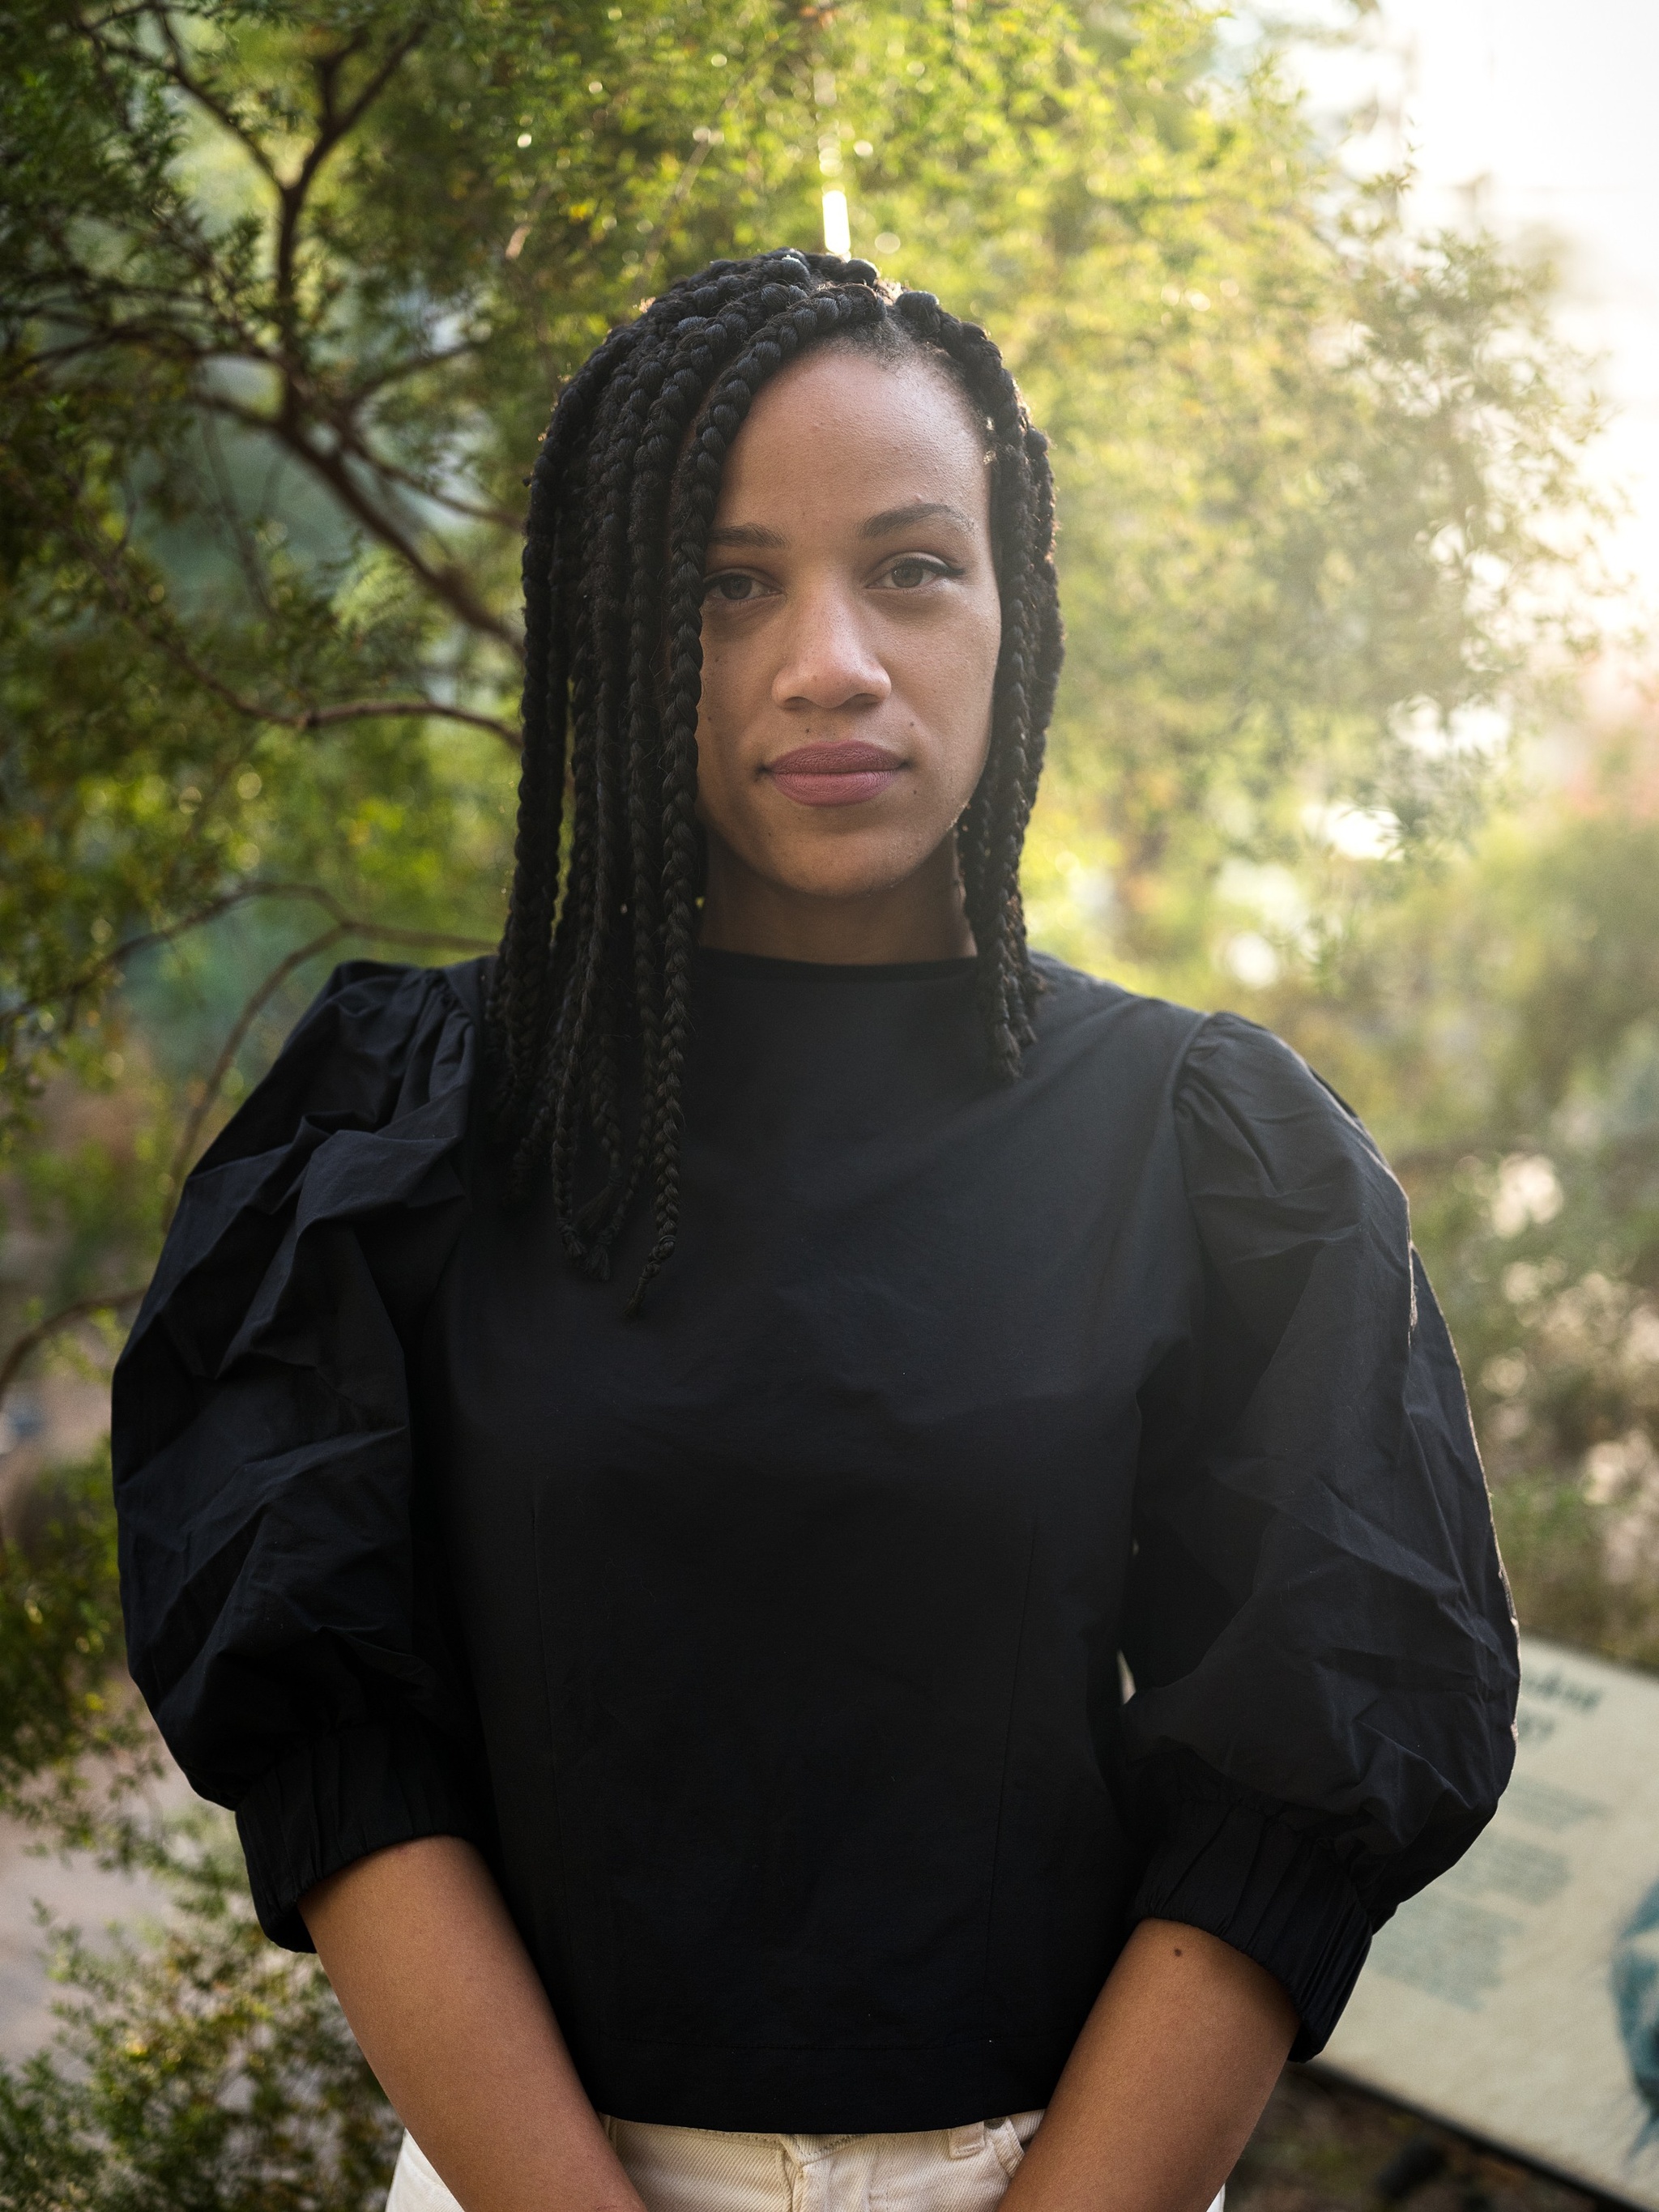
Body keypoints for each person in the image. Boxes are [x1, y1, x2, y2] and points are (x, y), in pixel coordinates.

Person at [113, 250, 1519, 2212]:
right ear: (618, 626)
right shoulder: (412, 1121)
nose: (832, 662)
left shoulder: (1204, 1145)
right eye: (727, 582)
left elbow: (1304, 1772)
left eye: (912, 567)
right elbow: (335, 1744)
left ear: (1011, 610)